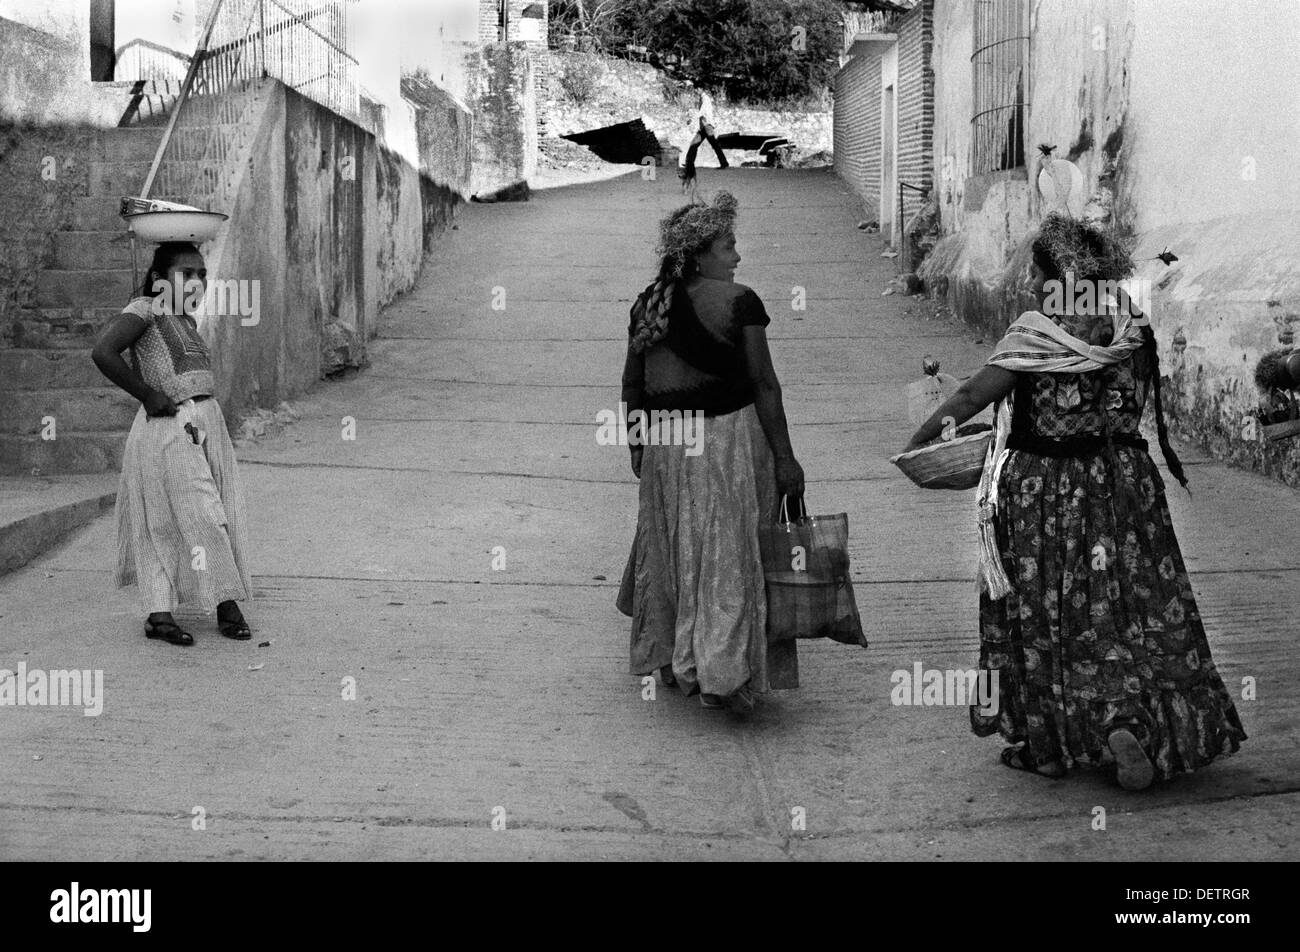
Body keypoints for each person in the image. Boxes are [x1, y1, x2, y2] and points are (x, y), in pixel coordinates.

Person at [902, 215, 1245, 789]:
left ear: (1057, 276)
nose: (1035, 289)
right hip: (1124, 483)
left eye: (1039, 277)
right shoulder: (1130, 326)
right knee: (1129, 610)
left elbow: (971, 394)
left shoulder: (1038, 333)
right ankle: (1126, 720)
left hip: (1044, 493)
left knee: (1045, 613)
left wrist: (917, 443)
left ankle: (1050, 747)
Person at [616, 191, 804, 713]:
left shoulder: (648, 302)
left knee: (674, 545)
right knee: (726, 552)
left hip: (666, 446)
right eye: (729, 246)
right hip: (727, 443)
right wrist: (786, 458)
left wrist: (637, 442)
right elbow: (764, 385)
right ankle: (721, 670)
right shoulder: (741, 302)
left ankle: (678, 658)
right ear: (700, 254)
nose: (737, 257)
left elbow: (634, 381)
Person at [91, 242, 253, 646]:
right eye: (186, 273)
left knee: (206, 509)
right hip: (167, 424)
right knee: (193, 514)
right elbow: (103, 352)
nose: (197, 280)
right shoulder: (145, 310)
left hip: (205, 422)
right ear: (161, 280)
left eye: (201, 273)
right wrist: (146, 394)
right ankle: (218, 605)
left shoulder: (187, 322)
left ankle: (171, 612)